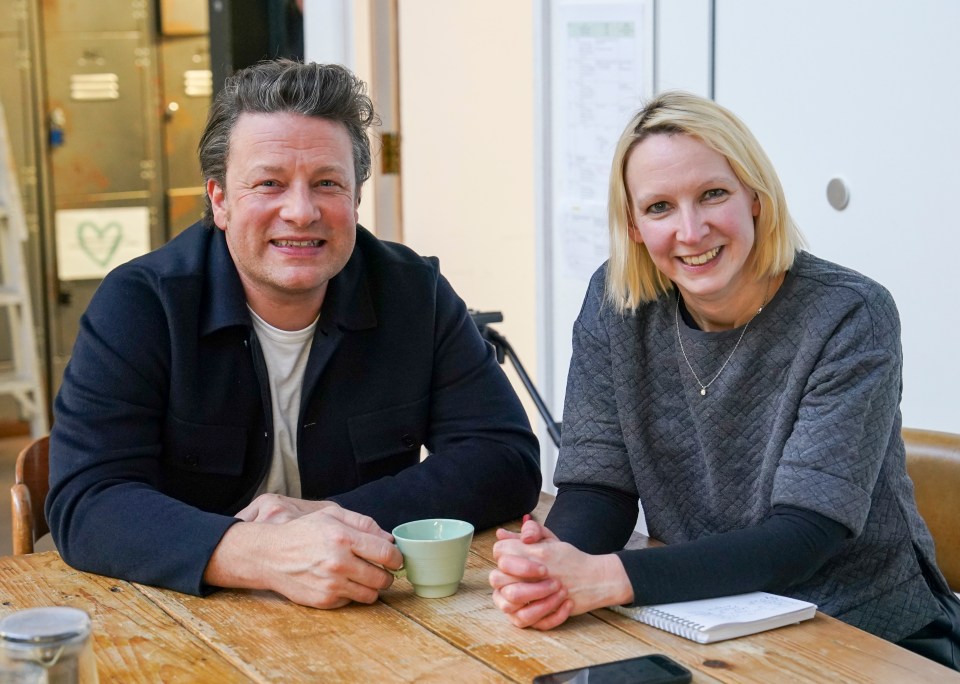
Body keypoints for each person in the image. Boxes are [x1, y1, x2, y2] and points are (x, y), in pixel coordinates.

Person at [489, 91, 960, 669]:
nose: (691, 230)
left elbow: (806, 532)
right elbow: (599, 486)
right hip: (702, 616)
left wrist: (607, 577)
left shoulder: (849, 314)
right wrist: (557, 561)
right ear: (634, 225)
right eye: (660, 207)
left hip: (863, 625)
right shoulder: (617, 303)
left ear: (755, 200)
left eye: (712, 194)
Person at [47, 59, 541, 610]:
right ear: (219, 200)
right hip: (185, 619)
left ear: (355, 200)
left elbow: (505, 460)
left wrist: (328, 515)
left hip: (372, 610)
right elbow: (88, 501)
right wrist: (262, 552)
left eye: (327, 184)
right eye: (269, 184)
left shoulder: (413, 293)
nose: (301, 211)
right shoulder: (142, 304)